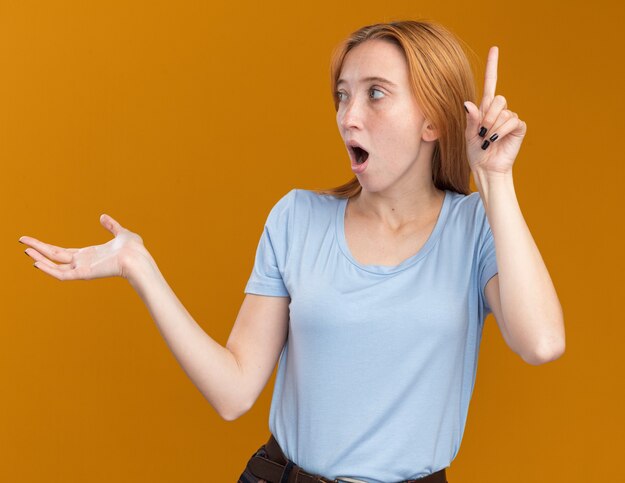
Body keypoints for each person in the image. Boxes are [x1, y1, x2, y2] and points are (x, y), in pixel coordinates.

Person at [19, 19, 565, 483]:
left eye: (375, 93)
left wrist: (494, 179)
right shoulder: (298, 218)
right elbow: (234, 392)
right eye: (343, 94)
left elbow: (540, 342)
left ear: (434, 120)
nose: (348, 115)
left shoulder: (475, 228)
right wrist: (139, 267)